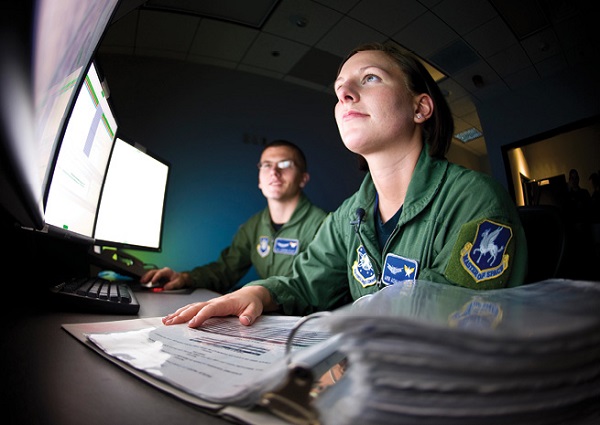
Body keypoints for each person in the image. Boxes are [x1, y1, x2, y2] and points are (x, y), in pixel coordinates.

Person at [162, 42, 528, 329]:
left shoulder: (475, 199)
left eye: (369, 78)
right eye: (339, 89)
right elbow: (304, 282)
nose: (345, 95)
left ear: (420, 108)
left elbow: (453, 320)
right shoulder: (349, 217)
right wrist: (256, 292)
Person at [140, 139, 328, 293]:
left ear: (303, 178)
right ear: (260, 181)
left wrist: (258, 295)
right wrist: (185, 278)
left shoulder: (324, 226)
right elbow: (226, 271)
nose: (274, 172)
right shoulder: (253, 227)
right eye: (266, 165)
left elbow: (316, 289)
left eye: (285, 164)